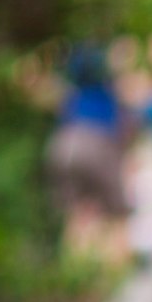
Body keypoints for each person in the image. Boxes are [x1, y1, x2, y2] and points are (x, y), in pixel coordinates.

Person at [43, 44, 131, 262]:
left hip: (62, 146)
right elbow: (125, 128)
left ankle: (76, 274)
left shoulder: (71, 94)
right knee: (116, 217)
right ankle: (114, 271)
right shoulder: (110, 93)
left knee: (76, 214)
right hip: (96, 144)